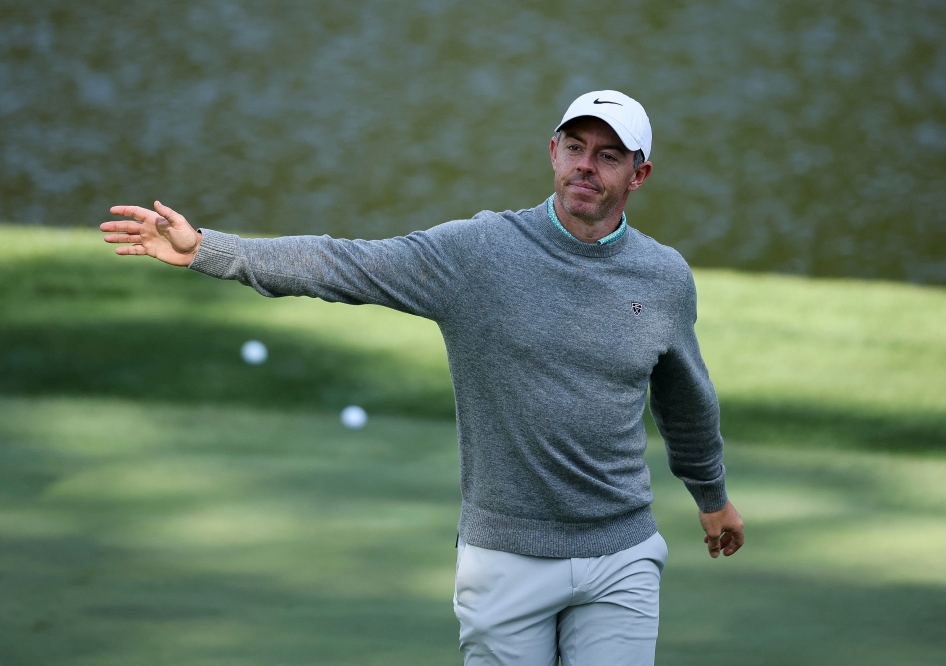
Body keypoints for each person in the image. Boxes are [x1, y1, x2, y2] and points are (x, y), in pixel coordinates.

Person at [100, 89, 744, 666]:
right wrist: (208, 248)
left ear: (639, 174)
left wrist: (711, 495)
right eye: (575, 147)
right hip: (506, 557)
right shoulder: (480, 252)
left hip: (621, 553)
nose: (585, 166)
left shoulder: (663, 276)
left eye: (608, 156)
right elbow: (344, 264)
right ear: (553, 152)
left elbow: (685, 399)